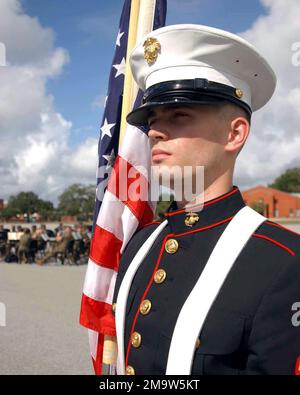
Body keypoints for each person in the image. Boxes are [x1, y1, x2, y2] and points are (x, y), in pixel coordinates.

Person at [111, 25, 300, 375]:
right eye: (152, 119)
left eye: (179, 115)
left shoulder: (285, 261)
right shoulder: (139, 243)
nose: (154, 131)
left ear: (235, 133)